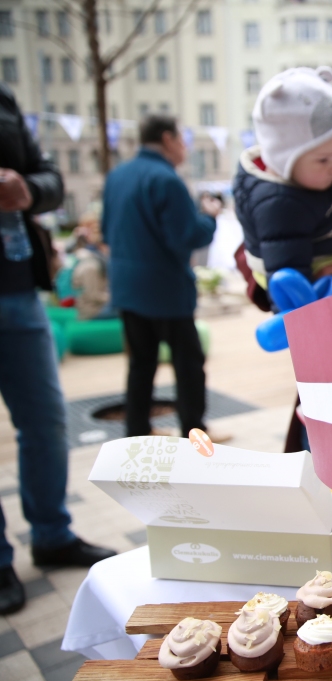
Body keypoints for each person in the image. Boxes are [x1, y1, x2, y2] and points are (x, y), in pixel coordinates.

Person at [0, 84, 115, 615]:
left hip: (19, 287)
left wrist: (29, 188)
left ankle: (50, 533)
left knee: (46, 420)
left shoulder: (3, 101)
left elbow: (50, 177)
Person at [233, 66, 332, 336]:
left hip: (328, 280)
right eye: (325, 159)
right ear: (282, 158)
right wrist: (302, 321)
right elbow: (286, 276)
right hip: (314, 294)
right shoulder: (281, 204)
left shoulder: (301, 184)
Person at [103, 115, 220, 439]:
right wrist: (209, 218)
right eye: (182, 139)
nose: (184, 146)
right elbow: (187, 236)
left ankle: (137, 429)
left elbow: (105, 230)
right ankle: (195, 433)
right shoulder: (166, 180)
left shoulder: (117, 176)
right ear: (168, 139)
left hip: (126, 286)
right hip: (165, 291)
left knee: (141, 364)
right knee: (188, 366)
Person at [70, 216, 115, 320]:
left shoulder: (98, 261)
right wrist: (117, 298)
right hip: (91, 310)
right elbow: (93, 295)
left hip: (95, 305)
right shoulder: (91, 265)